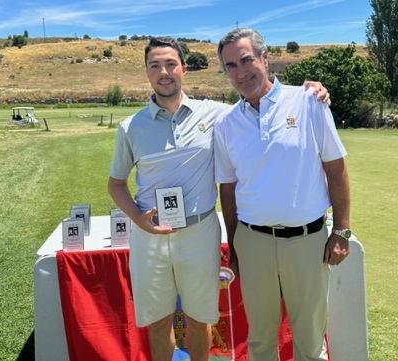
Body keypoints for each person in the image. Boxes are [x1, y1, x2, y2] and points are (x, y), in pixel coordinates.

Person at [108, 36, 330, 361]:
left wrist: (309, 91)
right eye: (154, 66)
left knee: (201, 319)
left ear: (184, 68)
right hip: (149, 237)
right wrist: (138, 218)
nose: (164, 72)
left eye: (171, 64)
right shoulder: (131, 127)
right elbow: (116, 185)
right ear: (146, 73)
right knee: (157, 323)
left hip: (199, 233)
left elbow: (259, 98)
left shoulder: (214, 114)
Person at [214, 28, 351, 361]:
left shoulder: (308, 101)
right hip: (253, 243)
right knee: (260, 341)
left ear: (265, 58)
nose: (240, 71)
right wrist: (233, 247)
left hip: (307, 242)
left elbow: (336, 171)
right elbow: (228, 192)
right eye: (230, 65)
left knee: (308, 341)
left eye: (246, 59)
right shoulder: (226, 123)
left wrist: (342, 231)